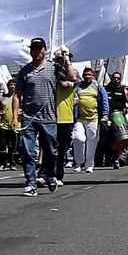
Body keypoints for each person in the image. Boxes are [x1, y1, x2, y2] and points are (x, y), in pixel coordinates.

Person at [13, 38, 67, 197]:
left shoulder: (53, 68)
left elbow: (70, 78)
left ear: (45, 50)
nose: (36, 51)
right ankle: (30, 183)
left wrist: (67, 60)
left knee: (51, 151)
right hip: (29, 118)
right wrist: (15, 118)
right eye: (34, 48)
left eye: (39, 48)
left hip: (48, 117)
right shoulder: (24, 71)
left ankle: (50, 174)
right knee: (29, 152)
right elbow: (17, 95)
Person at [72, 67, 109, 174]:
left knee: (92, 142)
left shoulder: (98, 87)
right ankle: (79, 163)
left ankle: (89, 165)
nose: (87, 76)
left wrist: (105, 115)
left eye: (89, 75)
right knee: (78, 138)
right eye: (85, 74)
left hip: (94, 118)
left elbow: (104, 101)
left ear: (93, 76)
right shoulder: (77, 86)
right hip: (79, 118)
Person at [51, 48, 77, 182]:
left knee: (63, 148)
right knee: (51, 147)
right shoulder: (54, 71)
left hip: (66, 116)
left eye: (68, 59)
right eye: (63, 59)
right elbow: (63, 82)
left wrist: (67, 60)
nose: (67, 61)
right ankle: (48, 173)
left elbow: (71, 80)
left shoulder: (70, 72)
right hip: (53, 116)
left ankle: (58, 174)